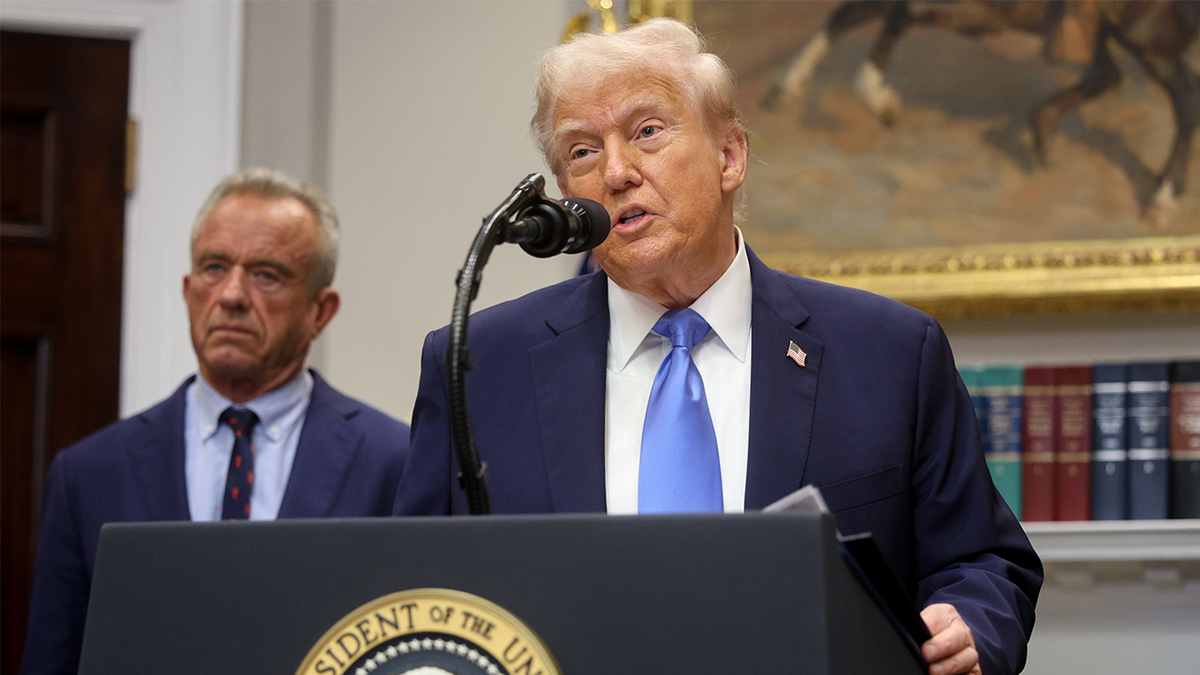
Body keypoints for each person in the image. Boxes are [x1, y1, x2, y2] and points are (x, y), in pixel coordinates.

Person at [395, 18, 1040, 675]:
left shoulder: (891, 352)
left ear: (730, 157)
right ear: (566, 198)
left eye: (648, 131)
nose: (616, 172)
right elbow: (410, 590)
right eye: (582, 151)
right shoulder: (480, 367)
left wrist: (970, 623)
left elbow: (984, 562)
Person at [21, 168, 410, 674]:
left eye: (266, 275)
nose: (231, 296)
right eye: (213, 268)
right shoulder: (89, 474)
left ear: (321, 311)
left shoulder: (393, 463)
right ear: (188, 292)